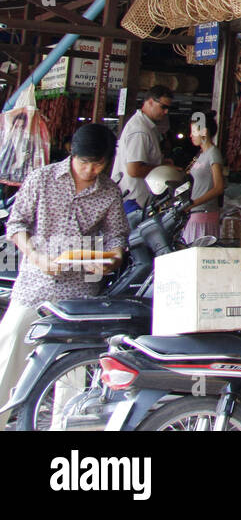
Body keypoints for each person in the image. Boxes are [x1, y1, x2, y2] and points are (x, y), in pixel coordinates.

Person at [0, 123, 126, 428]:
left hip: (80, 292)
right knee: (13, 343)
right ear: (72, 154)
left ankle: (62, 428)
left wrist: (110, 260)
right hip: (36, 283)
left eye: (98, 164)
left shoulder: (109, 191)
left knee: (70, 365)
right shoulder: (42, 179)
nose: (90, 170)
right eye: (85, 162)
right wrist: (36, 256)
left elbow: (117, 238)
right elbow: (16, 224)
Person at [110, 84, 173, 215]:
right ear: (150, 102)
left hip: (137, 201)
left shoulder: (145, 126)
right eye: (163, 107)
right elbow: (134, 170)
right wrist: (164, 169)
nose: (166, 111)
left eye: (168, 108)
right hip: (133, 202)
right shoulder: (140, 130)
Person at [183, 111, 225, 244]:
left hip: (204, 213)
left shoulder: (213, 153)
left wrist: (193, 204)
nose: (191, 135)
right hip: (195, 213)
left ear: (204, 132)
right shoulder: (201, 155)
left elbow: (219, 187)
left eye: (194, 131)